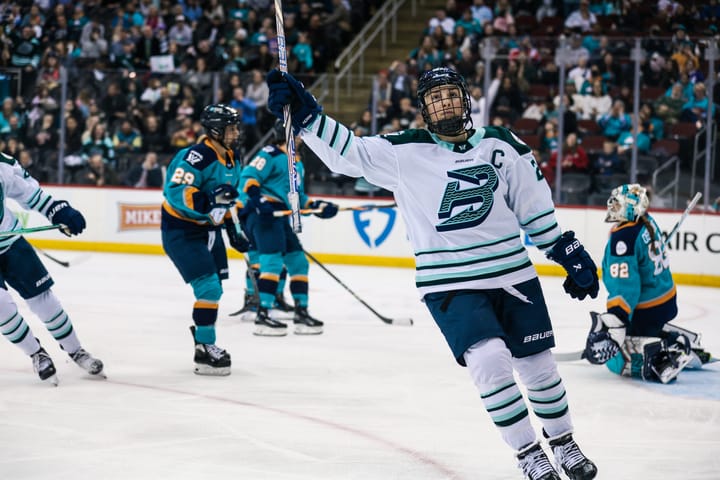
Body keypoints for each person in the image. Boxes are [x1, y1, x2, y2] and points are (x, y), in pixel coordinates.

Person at [267, 67, 599, 480]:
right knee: (490, 361)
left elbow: (533, 207)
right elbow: (350, 154)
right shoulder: (404, 152)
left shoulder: (503, 144)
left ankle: (564, 443)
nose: (444, 103)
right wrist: (309, 117)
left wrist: (566, 250)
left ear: (466, 100)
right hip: (450, 283)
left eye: (450, 95)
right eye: (434, 98)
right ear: (423, 109)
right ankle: (528, 452)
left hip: (513, 274)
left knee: (539, 366)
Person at [582, 184, 713, 383]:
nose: (613, 207)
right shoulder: (646, 222)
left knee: (616, 361)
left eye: (618, 204)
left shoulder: (623, 238)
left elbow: (625, 285)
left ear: (630, 208)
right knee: (635, 335)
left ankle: (666, 352)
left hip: (647, 309)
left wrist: (618, 319)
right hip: (665, 301)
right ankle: (667, 337)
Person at [0, 151, 103, 385]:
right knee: (1, 308)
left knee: (45, 302)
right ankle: (37, 354)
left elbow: (29, 193)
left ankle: (76, 350)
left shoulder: (2, 164)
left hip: (11, 243)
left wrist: (57, 210)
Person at [161, 104, 249, 376]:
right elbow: (175, 190)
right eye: (231, 128)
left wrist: (232, 227)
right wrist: (208, 199)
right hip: (182, 230)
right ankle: (205, 348)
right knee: (209, 288)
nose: (235, 132)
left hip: (208, 229)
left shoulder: (232, 157)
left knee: (215, 289)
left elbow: (227, 200)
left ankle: (202, 336)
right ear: (215, 130)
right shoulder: (197, 156)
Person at [238, 120, 338, 336]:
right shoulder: (270, 154)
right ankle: (263, 313)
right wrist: (259, 201)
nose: (303, 138)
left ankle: (301, 312)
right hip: (263, 215)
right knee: (272, 261)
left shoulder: (297, 163)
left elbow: (298, 197)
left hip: (280, 216)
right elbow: (249, 177)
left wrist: (318, 206)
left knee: (298, 262)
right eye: (300, 134)